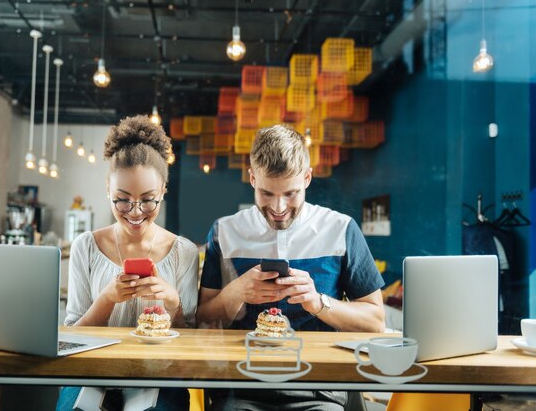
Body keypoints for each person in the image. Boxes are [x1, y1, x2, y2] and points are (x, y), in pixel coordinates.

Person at [197, 124, 386, 411]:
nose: (278, 207)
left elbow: (375, 320)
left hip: (320, 390)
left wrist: (319, 303)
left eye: (290, 193)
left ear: (307, 178)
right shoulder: (224, 231)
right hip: (241, 388)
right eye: (267, 193)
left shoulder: (341, 229)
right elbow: (201, 317)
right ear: (251, 178)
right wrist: (236, 292)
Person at [56, 115, 199, 411]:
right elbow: (70, 339)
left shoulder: (182, 251)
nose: (135, 212)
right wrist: (107, 299)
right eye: (122, 199)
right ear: (108, 188)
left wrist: (173, 302)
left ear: (163, 191)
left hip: (159, 376)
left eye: (148, 200)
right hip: (90, 374)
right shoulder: (86, 246)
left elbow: (190, 344)